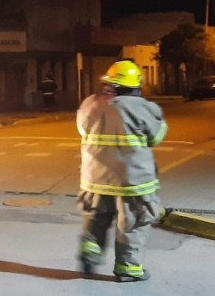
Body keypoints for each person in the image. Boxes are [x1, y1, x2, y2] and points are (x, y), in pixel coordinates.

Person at [75, 60, 168, 283]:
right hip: (132, 181)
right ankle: (128, 269)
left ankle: (90, 251)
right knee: (133, 224)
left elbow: (81, 129)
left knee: (96, 218)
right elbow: (156, 136)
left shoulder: (90, 104)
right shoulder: (144, 107)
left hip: (95, 179)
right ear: (135, 85)